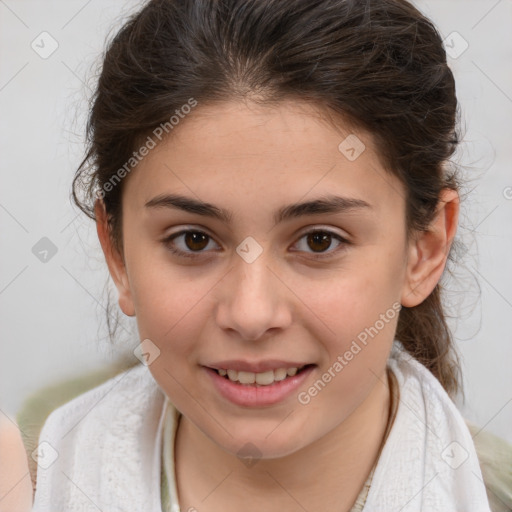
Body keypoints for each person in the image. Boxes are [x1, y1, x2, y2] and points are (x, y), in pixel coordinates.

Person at [23, 0, 512, 510]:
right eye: (193, 240)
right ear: (117, 252)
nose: (251, 314)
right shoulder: (33, 479)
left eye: (319, 240)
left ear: (423, 251)